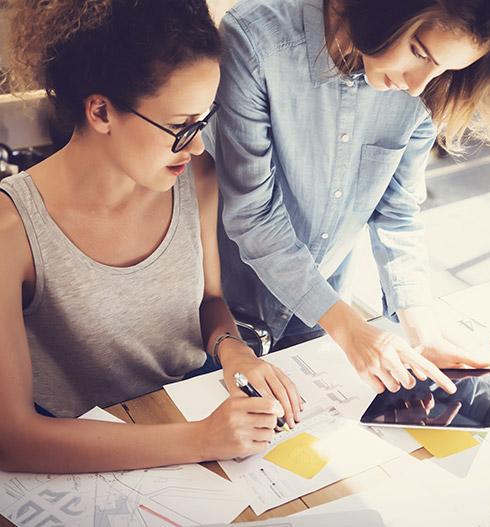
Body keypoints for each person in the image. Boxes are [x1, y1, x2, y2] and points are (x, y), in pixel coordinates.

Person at [0, 0, 302, 474]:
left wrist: (233, 349)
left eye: (203, 122)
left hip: (193, 407)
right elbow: (13, 439)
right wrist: (202, 440)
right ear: (100, 111)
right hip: (84, 451)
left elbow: (208, 300)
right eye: (181, 127)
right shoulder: (11, 228)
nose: (198, 145)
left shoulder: (194, 175)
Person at [210, 0, 490, 398]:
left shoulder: (426, 89)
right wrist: (350, 328)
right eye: (420, 53)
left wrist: (422, 331)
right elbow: (253, 214)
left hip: (320, 319)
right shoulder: (255, 41)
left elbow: (397, 211)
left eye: (441, 68)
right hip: (221, 315)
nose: (417, 84)